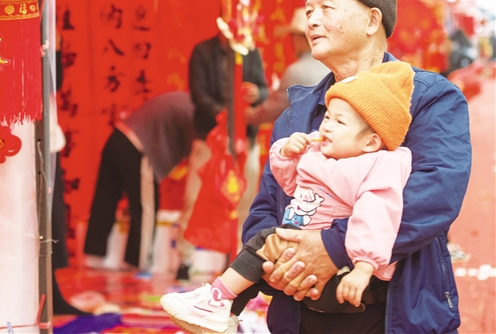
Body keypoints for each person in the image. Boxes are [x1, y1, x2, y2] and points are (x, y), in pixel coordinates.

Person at [237, 0, 470, 334]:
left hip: (393, 313)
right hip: (300, 315)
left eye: (326, 8)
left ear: (372, 20)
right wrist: (275, 263)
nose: (312, 20)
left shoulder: (428, 98)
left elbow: (435, 193)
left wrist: (334, 247)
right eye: (309, 11)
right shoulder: (297, 114)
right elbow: (267, 206)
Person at [160, 61, 415, 333]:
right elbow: (289, 186)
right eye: (328, 117)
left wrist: (364, 267)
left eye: (340, 122)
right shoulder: (319, 153)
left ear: (371, 142)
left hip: (339, 275)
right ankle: (225, 311)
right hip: (300, 264)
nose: (327, 127)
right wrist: (287, 154)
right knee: (264, 249)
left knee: (265, 242)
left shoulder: (375, 166)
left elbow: (377, 214)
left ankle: (217, 299)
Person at [177, 34, 268, 278]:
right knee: (195, 197)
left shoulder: (251, 51)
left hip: (245, 138)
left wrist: (256, 94)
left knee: (245, 200)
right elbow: (199, 94)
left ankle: (237, 258)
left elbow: (263, 90)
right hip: (210, 136)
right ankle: (184, 259)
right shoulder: (203, 51)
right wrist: (227, 116)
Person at [83, 91, 196, 270]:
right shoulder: (196, 111)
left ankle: (93, 256)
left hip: (118, 136)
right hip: (139, 147)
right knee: (146, 208)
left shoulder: (183, 100)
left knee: (105, 197)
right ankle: (140, 262)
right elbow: (196, 153)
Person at [245, 8, 330, 126]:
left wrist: (249, 115)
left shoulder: (297, 71)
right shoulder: (330, 66)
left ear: (298, 38)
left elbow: (275, 108)